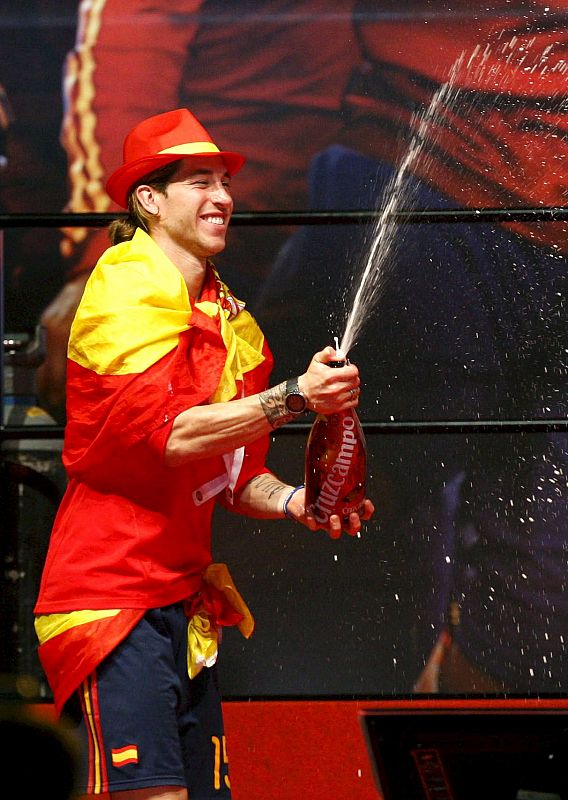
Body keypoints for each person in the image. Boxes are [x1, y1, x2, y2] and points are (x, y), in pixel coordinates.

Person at [33, 107, 374, 799]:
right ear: (149, 200)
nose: (222, 197)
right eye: (199, 181)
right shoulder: (123, 287)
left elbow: (236, 474)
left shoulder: (231, 322)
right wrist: (296, 396)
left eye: (225, 182)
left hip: (183, 604)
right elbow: (172, 436)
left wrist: (300, 502)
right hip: (110, 600)